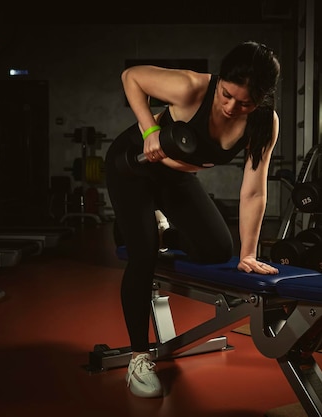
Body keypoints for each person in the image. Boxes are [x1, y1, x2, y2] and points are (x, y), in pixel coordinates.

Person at [105, 40, 281, 398]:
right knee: (143, 254)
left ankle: (160, 231)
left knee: (218, 248)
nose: (233, 107)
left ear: (261, 99)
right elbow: (131, 76)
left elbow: (254, 191)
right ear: (220, 82)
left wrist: (250, 253)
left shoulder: (264, 123)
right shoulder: (190, 87)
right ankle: (139, 357)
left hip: (175, 176)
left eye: (245, 102)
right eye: (227, 95)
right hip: (132, 167)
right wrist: (149, 130)